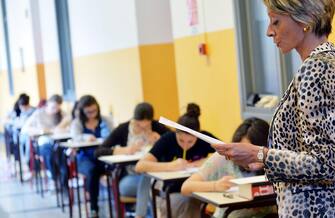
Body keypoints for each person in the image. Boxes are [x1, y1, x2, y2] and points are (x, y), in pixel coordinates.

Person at [213, 0, 335, 217]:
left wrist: (259, 154)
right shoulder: (328, 62)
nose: (269, 32)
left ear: (304, 20)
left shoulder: (314, 70)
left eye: (276, 22)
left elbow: (325, 163)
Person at [181, 118, 277, 217]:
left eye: (254, 152)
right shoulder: (224, 157)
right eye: (244, 151)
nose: (249, 157)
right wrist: (216, 185)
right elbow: (186, 187)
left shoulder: (274, 160)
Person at [135, 103, 216, 218]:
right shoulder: (168, 139)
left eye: (190, 142)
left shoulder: (204, 138)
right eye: (181, 140)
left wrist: (203, 162)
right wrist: (171, 166)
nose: (185, 146)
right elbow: (140, 166)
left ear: (197, 136)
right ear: (176, 133)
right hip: (171, 193)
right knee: (190, 201)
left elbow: (227, 154)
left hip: (197, 191)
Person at [94, 102, 169, 217]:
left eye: (146, 125)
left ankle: (142, 215)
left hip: (154, 177)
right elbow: (99, 151)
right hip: (129, 178)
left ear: (151, 120)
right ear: (134, 119)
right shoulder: (123, 129)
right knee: (150, 182)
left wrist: (161, 141)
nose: (143, 128)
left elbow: (175, 144)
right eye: (139, 125)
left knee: (149, 178)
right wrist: (124, 150)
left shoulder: (158, 127)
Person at [70, 95, 113, 217]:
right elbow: (75, 137)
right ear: (83, 112)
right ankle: (94, 207)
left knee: (116, 169)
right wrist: (85, 137)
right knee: (93, 171)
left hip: (103, 156)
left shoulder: (105, 120)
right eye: (88, 112)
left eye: (94, 110)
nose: (92, 114)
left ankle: (122, 203)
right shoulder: (77, 123)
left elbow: (113, 135)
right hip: (85, 157)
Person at [21, 94, 67, 184]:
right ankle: (54, 178)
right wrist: (40, 130)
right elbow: (25, 129)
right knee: (49, 154)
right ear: (48, 104)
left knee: (63, 156)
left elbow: (69, 126)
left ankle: (63, 181)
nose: (56, 110)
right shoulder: (39, 113)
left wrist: (63, 126)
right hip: (43, 141)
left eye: (58, 108)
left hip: (59, 140)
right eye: (53, 107)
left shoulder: (61, 114)